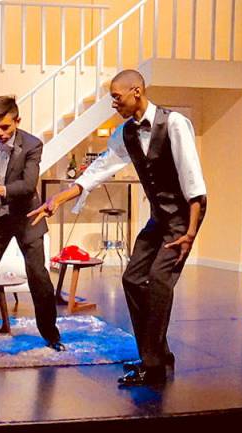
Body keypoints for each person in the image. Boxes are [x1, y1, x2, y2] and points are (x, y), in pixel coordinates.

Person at [29, 69, 208, 386]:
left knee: (159, 282)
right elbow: (100, 169)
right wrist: (59, 198)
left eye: (116, 96)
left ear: (136, 91)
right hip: (159, 219)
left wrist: (190, 233)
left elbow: (194, 182)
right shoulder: (126, 133)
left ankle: (152, 367)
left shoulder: (175, 124)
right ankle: (157, 353)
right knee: (132, 278)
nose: (113, 103)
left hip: (183, 219)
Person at [0, 95, 64, 353]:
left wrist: (0, 190)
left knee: (38, 275)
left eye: (5, 127)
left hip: (27, 218)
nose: (0, 132)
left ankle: (51, 334)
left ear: (17, 121)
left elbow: (29, 185)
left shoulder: (32, 144)